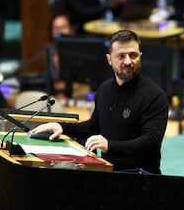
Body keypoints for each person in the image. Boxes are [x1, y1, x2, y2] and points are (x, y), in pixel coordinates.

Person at [31, 30, 169, 174]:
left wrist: (110, 146)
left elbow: (150, 142)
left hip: (142, 175)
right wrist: (62, 127)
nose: (128, 61)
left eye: (133, 55)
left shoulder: (155, 95)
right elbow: (94, 125)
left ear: (140, 56)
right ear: (109, 59)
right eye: (121, 56)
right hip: (108, 171)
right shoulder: (104, 90)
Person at [44, 13, 75, 93]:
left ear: (71, 29)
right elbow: (53, 80)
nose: (59, 32)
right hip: (57, 93)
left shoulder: (80, 50)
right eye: (56, 28)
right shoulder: (49, 49)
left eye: (63, 27)